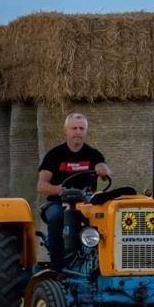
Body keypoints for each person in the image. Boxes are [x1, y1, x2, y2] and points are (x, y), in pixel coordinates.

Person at [36, 111, 112, 271]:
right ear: (66, 131)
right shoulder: (54, 155)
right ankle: (57, 268)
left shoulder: (93, 154)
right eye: (74, 128)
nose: (78, 132)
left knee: (107, 217)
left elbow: (103, 169)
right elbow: (41, 186)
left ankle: (102, 265)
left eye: (81, 128)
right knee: (57, 217)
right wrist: (57, 190)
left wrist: (103, 169)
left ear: (86, 132)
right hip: (58, 202)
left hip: (86, 202)